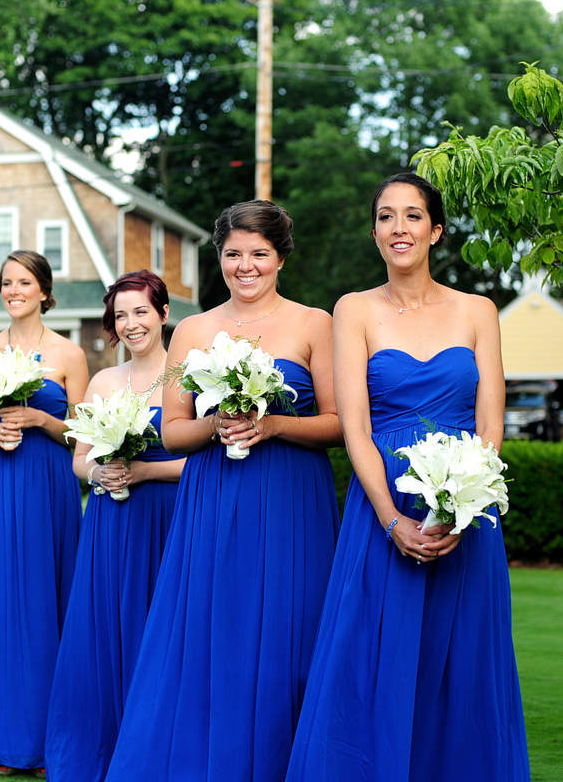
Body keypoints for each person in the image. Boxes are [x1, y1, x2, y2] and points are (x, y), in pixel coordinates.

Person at [285, 173, 529, 781]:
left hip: (465, 507)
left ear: (436, 231)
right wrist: (393, 519)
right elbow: (355, 430)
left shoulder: (478, 311)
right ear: (374, 232)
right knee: (371, 657)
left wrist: (458, 504)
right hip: (382, 504)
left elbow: (490, 425)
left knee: (464, 659)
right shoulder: (354, 310)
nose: (400, 227)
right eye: (387, 217)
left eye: (414, 216)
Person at [104, 200, 342, 782]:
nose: (245, 266)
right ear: (220, 258)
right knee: (214, 634)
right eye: (233, 254)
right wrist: (218, 425)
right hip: (215, 499)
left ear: (281, 257)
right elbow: (174, 429)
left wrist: (275, 424)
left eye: (259, 254)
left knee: (294, 634)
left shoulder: (316, 323)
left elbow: (339, 424)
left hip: (293, 499)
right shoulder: (192, 329)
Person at [0, 251, 89, 775]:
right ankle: (0, 738)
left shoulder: (70, 355)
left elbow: (82, 433)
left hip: (49, 485)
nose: (13, 290)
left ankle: (49, 739)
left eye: (24, 282)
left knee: (48, 599)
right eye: (6, 283)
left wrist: (37, 420)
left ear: (45, 290)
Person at [45, 270, 187, 782]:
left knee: (164, 631)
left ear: (163, 313)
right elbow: (79, 460)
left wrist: (147, 469)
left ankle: (156, 754)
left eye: (141, 312)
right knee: (108, 630)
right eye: (120, 315)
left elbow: (204, 459)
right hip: (113, 521)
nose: (130, 324)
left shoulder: (188, 374)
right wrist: (98, 470)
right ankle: (99, 751)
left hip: (172, 517)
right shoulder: (104, 382)